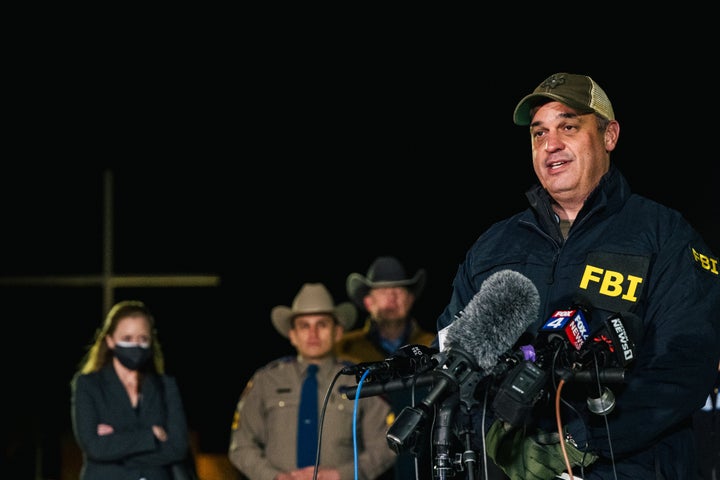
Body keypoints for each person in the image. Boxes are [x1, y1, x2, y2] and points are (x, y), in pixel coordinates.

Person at [435, 72, 720, 479]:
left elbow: (687, 365)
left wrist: (580, 443)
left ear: (609, 135)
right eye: (538, 134)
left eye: (568, 126)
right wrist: (497, 439)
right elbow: (454, 359)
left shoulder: (664, 235)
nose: (550, 145)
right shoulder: (492, 248)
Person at [228, 282, 396, 480]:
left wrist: (341, 475)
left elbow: (387, 443)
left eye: (322, 324)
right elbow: (241, 446)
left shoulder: (361, 380)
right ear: (293, 335)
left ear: (338, 332)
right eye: (304, 326)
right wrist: (274, 477)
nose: (313, 334)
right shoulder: (266, 381)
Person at [334, 256, 436, 480]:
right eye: (383, 291)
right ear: (368, 302)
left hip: (421, 460)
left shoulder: (432, 345)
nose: (392, 297)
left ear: (410, 299)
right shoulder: (343, 347)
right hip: (362, 464)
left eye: (399, 291)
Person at [70, 300, 193, 480]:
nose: (136, 345)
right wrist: (151, 436)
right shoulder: (89, 385)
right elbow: (93, 447)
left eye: (143, 339)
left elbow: (178, 448)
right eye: (127, 339)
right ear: (110, 341)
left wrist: (115, 447)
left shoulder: (166, 386)